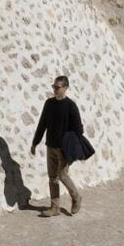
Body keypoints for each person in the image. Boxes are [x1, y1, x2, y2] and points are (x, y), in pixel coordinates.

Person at [30, 74, 87, 215]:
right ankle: (54, 207)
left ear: (65, 88)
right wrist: (35, 142)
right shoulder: (49, 103)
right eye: (53, 86)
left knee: (62, 175)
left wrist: (69, 144)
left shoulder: (71, 106)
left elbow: (79, 129)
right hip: (50, 146)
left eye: (57, 87)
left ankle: (76, 197)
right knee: (52, 178)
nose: (54, 89)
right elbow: (42, 124)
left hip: (64, 149)